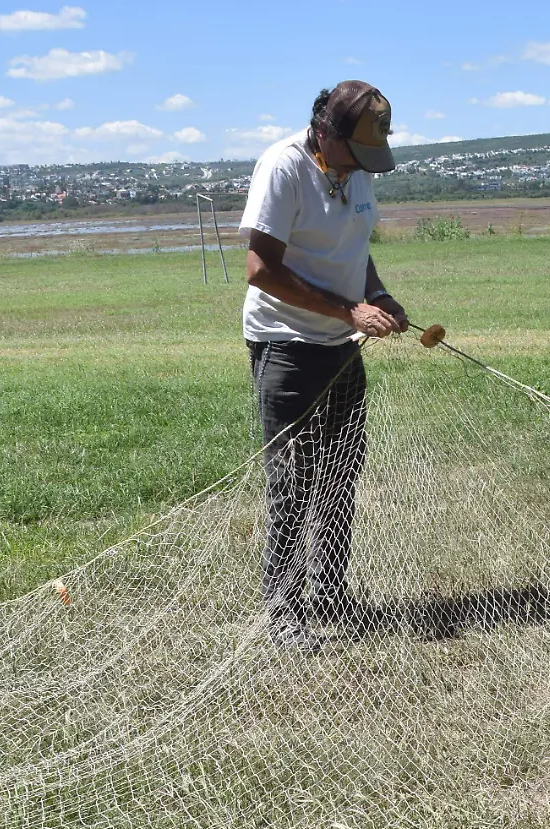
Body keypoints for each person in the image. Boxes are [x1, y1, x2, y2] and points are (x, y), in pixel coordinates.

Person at [238, 80, 408, 653]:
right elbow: (260, 269)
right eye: (357, 151)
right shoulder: (283, 167)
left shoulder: (355, 172)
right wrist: (348, 310)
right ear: (325, 133)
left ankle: (332, 597)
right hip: (285, 344)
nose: (365, 165)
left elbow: (356, 250)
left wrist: (378, 296)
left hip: (342, 343)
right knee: (292, 480)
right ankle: (284, 615)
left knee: (339, 473)